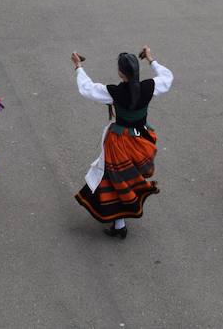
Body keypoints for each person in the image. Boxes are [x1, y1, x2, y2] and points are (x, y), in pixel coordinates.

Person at [71, 46, 171, 239]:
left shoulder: (113, 92)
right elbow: (167, 77)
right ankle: (120, 224)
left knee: (115, 180)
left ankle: (120, 223)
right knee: (125, 179)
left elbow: (88, 89)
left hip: (119, 143)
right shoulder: (150, 87)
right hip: (142, 141)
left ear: (120, 72)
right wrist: (151, 60)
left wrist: (78, 67)